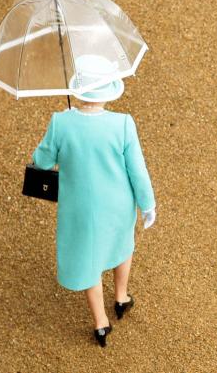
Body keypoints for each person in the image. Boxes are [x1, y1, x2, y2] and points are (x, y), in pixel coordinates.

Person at [32, 54, 157, 347]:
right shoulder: (123, 124)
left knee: (88, 258)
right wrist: (147, 204)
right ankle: (122, 297)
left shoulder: (61, 122)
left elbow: (42, 160)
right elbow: (137, 171)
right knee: (122, 244)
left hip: (80, 209)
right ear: (108, 90)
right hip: (118, 203)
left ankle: (101, 323)